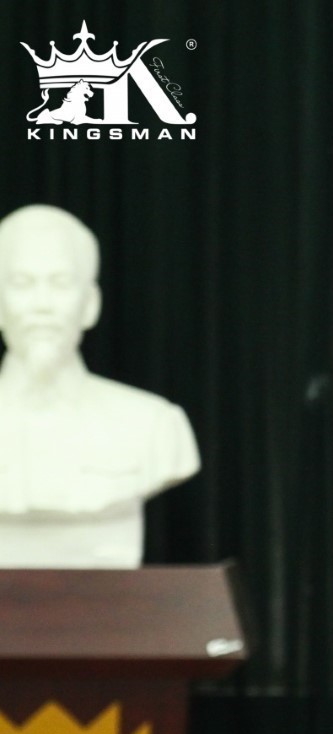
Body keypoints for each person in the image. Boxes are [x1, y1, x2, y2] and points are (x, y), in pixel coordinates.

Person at [0, 204, 198, 568]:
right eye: (22, 283)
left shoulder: (153, 424)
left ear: (90, 303)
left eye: (60, 283)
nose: (42, 305)